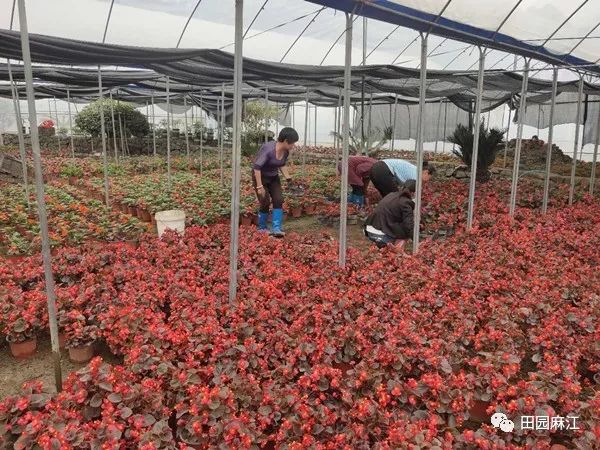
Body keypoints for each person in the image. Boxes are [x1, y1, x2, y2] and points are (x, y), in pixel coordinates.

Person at [252, 127, 299, 237]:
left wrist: (288, 178)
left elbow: (281, 164)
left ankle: (276, 228)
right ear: (286, 141)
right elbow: (257, 168)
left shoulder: (286, 152)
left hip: (273, 177)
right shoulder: (268, 149)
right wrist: (259, 187)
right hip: (260, 176)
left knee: (278, 199)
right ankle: (262, 227)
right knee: (265, 201)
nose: (293, 146)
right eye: (292, 143)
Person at [364, 180, 416, 248]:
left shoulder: (392, 195)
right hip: (381, 234)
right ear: (414, 193)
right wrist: (416, 240)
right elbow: (408, 226)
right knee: (407, 228)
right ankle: (398, 250)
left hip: (370, 228)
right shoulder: (406, 203)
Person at [369, 159, 435, 198]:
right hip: (382, 169)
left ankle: (384, 215)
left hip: (374, 168)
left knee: (387, 197)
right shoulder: (416, 176)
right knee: (395, 198)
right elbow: (405, 192)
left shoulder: (414, 169)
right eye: (430, 178)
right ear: (426, 172)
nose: (428, 180)